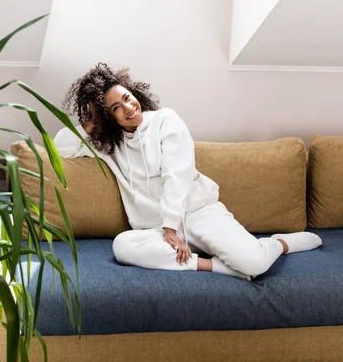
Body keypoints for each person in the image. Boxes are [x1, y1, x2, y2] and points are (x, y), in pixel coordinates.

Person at [54, 63, 322, 281]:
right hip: (156, 228)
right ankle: (214, 266)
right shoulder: (110, 146)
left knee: (253, 263)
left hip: (198, 213)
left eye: (127, 97)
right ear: (108, 117)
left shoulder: (165, 120)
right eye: (115, 108)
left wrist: (173, 227)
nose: (128, 108)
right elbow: (61, 146)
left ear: (134, 92)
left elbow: (177, 174)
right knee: (122, 246)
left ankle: (278, 244)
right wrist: (92, 122)